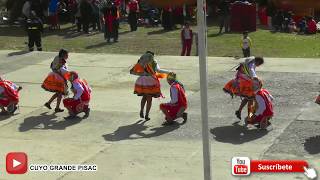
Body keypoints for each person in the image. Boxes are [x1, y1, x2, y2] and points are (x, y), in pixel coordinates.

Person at [130, 51, 170, 120]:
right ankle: (147, 115)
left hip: (142, 81)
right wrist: (168, 72)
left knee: (144, 97)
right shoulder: (153, 62)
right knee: (149, 99)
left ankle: (142, 110)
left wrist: (142, 74)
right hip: (151, 82)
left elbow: (133, 71)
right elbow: (158, 70)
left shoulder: (141, 61)